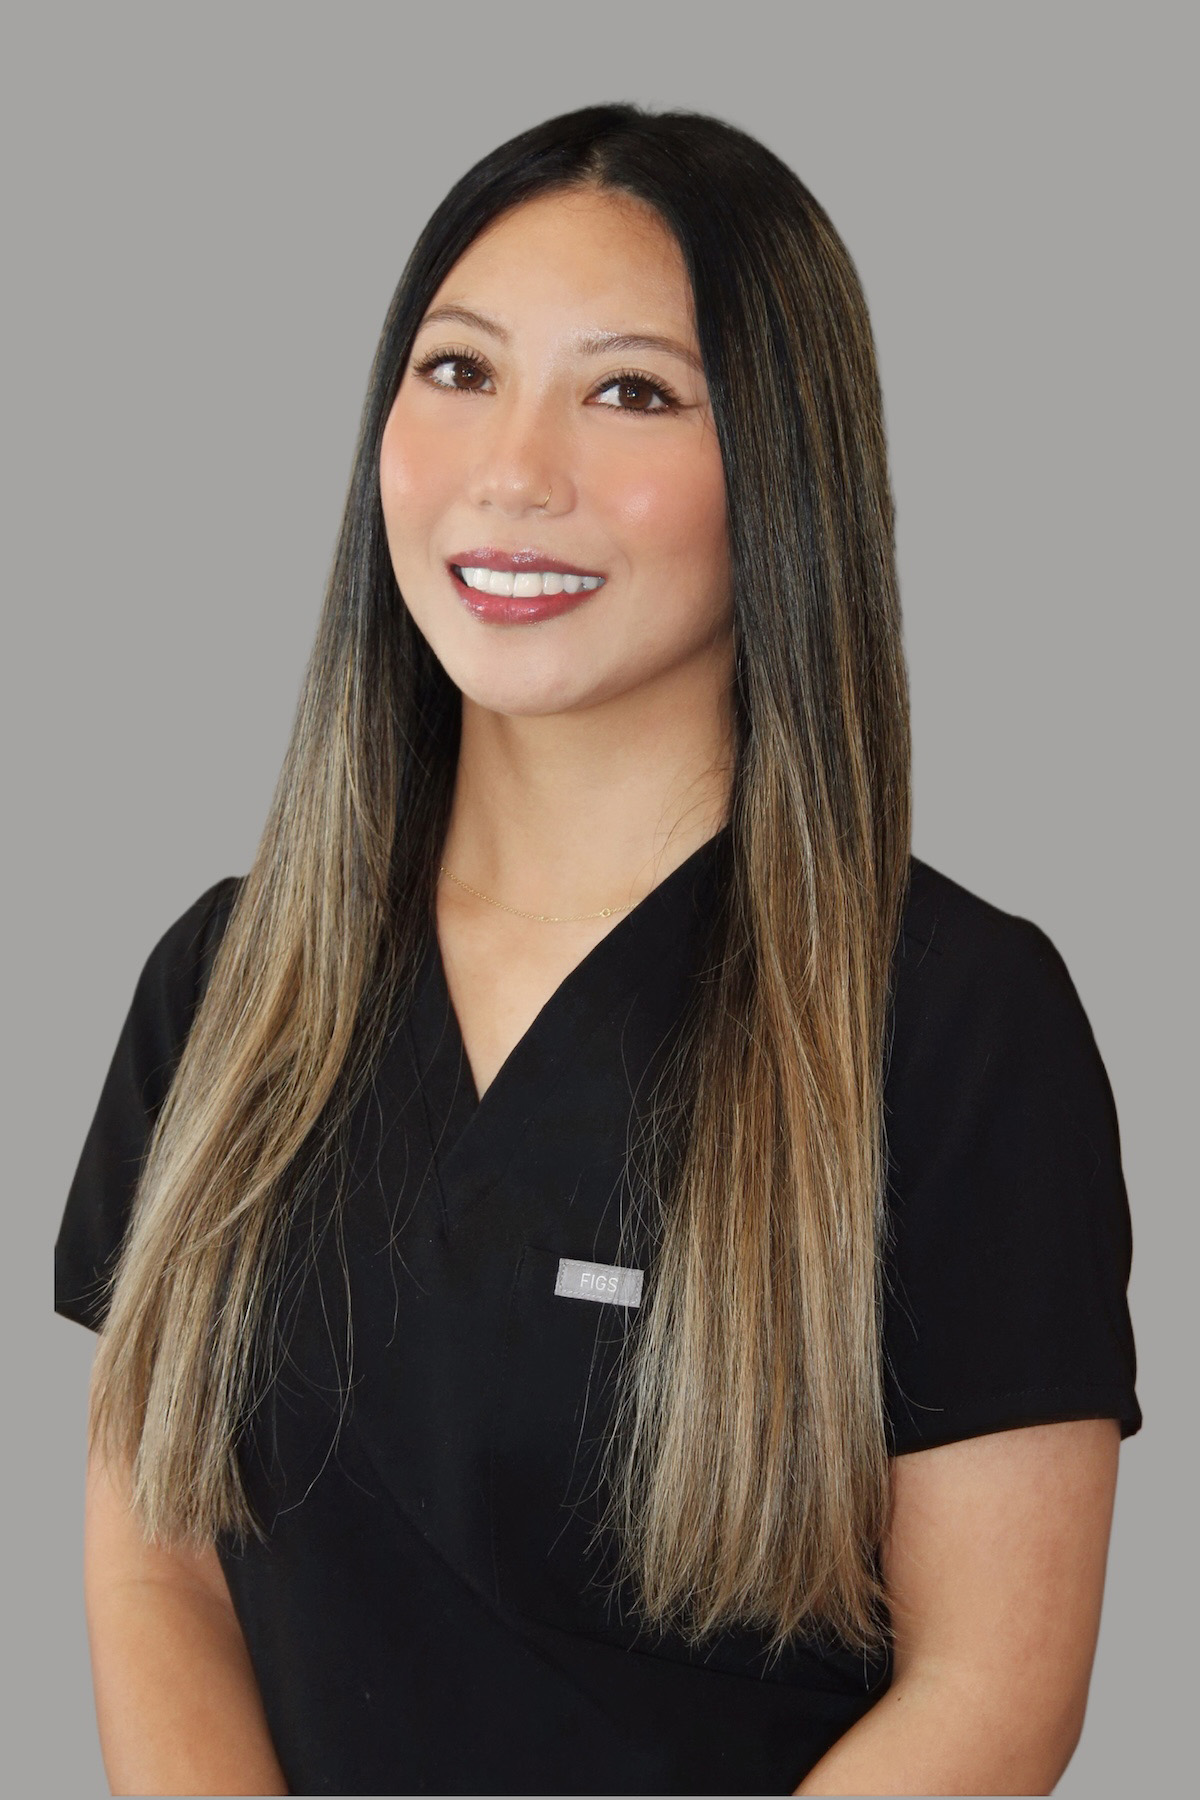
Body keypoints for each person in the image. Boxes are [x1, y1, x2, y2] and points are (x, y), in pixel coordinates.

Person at [54, 103, 1141, 1798]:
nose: (513, 472)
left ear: (781, 462)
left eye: (630, 390)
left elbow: (994, 1689)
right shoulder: (222, 987)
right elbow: (157, 1564)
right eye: (458, 371)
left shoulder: (951, 1027)